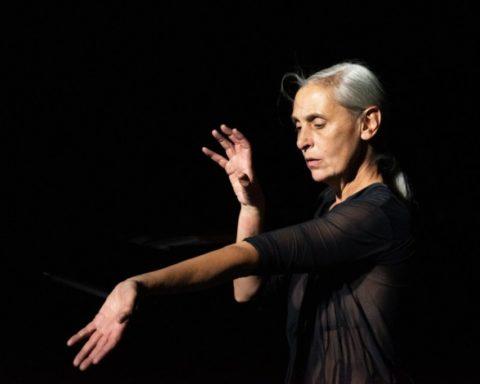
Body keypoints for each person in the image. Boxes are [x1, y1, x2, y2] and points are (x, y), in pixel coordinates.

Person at [66, 61, 416, 384]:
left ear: (368, 123)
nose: (302, 141)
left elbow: (251, 255)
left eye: (318, 124)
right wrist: (251, 207)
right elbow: (245, 290)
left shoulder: (375, 215)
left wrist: (138, 283)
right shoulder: (329, 206)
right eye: (298, 126)